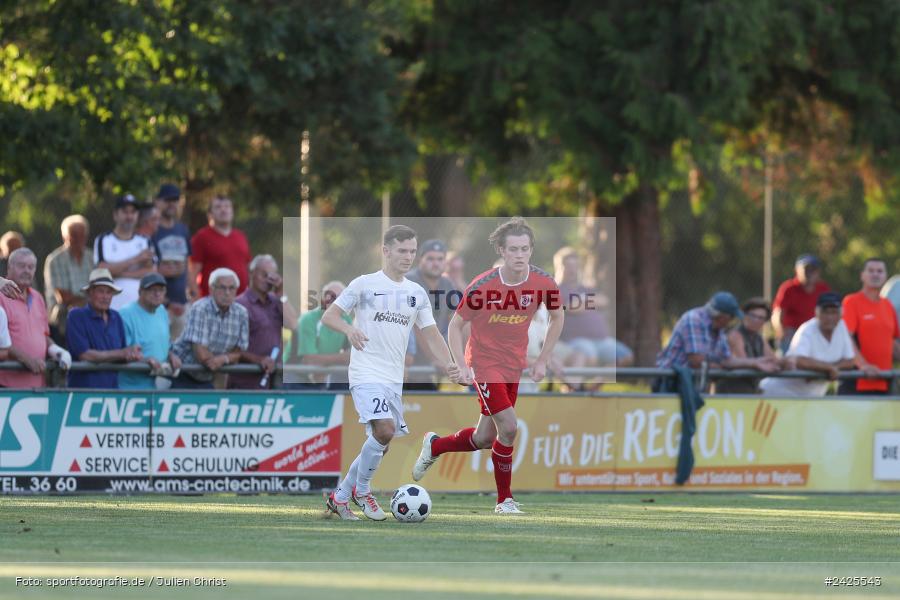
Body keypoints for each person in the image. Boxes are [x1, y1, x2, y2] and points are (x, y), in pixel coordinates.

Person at [412, 217, 565, 515]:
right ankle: (504, 500)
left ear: (531, 250)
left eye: (525, 249)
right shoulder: (483, 285)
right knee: (509, 427)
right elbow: (455, 326)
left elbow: (558, 316)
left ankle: (435, 446)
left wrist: (543, 359)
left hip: (513, 365)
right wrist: (460, 365)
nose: (519, 255)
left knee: (486, 438)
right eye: (513, 249)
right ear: (502, 250)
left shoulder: (543, 282)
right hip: (483, 363)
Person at [321, 225, 460, 521]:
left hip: (393, 379)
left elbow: (432, 333)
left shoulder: (416, 292)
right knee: (384, 430)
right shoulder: (364, 284)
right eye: (402, 251)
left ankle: (341, 496)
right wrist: (349, 329)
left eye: (412, 251)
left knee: (381, 445)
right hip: (365, 372)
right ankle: (362, 491)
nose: (408, 257)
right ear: (386, 251)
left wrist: (450, 363)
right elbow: (330, 315)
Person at [553, 247, 633, 388]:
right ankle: (572, 391)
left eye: (575, 266)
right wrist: (587, 302)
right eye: (568, 266)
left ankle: (592, 389)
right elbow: (571, 306)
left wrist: (582, 300)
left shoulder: (585, 288)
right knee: (589, 355)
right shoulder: (556, 289)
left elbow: (604, 300)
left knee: (625, 356)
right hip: (575, 341)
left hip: (601, 340)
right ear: (559, 267)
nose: (572, 270)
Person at [655, 292, 780, 378]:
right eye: (731, 317)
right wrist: (722, 366)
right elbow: (697, 361)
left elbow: (727, 359)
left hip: (691, 382)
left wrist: (754, 363)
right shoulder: (694, 320)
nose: (732, 320)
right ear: (722, 316)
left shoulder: (718, 329)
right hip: (670, 381)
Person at [759, 293, 857, 397]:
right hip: (778, 394)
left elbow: (850, 361)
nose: (829, 317)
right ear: (816, 312)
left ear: (841, 314)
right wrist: (828, 368)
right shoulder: (807, 329)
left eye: (834, 312)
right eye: (825, 312)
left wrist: (828, 368)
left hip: (811, 396)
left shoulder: (841, 327)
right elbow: (800, 360)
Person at [0, 248, 70, 388]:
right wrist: (26, 359)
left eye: (31, 267)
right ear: (9, 267)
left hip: (37, 383)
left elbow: (43, 334)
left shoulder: (38, 298)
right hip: (7, 385)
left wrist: (57, 350)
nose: (27, 270)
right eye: (21, 266)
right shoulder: (1, 296)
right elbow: (2, 341)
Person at [171, 268, 249, 389]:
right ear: (211, 289)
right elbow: (201, 355)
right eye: (222, 287)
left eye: (231, 288)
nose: (227, 293)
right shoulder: (200, 308)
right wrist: (224, 359)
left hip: (209, 376)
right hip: (181, 372)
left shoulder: (242, 313)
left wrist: (223, 359)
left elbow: (239, 352)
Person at [230, 255, 298, 389]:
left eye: (272, 275)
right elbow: (231, 346)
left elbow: (293, 324)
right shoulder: (239, 304)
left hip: (274, 379)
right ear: (251, 273)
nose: (268, 279)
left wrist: (281, 294)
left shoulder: (276, 301)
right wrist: (258, 360)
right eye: (264, 274)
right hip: (246, 380)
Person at [66, 268, 140, 389]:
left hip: (112, 393)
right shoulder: (76, 316)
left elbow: (121, 356)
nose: (105, 297)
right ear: (90, 293)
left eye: (109, 292)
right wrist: (122, 353)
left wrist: (133, 355)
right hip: (82, 393)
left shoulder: (116, 317)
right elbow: (85, 355)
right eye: (101, 291)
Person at [406, 239, 460, 390]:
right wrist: (437, 359)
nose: (435, 263)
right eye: (430, 258)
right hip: (407, 362)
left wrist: (456, 359)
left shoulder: (447, 284)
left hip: (433, 360)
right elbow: (417, 326)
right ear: (420, 260)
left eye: (440, 259)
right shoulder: (410, 281)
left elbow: (455, 322)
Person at [838, 258, 898, 395]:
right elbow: (846, 338)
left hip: (884, 380)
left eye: (880, 271)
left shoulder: (888, 306)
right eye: (871, 271)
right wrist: (864, 366)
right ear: (862, 275)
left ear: (885, 276)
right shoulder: (851, 301)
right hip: (857, 380)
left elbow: (893, 342)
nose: (875, 274)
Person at [119, 273, 182, 390]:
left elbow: (164, 343)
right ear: (140, 292)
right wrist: (145, 360)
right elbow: (119, 353)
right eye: (152, 290)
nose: (157, 294)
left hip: (159, 385)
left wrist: (171, 355)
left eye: (161, 290)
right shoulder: (125, 314)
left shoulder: (161, 310)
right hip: (130, 387)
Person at [94, 194, 156, 310]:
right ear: (115, 215)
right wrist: (136, 259)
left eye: (133, 212)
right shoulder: (103, 240)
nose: (129, 216)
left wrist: (119, 273)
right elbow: (102, 271)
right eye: (125, 212)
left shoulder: (145, 241)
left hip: (139, 308)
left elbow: (151, 272)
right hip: (112, 308)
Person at [717, 298, 786, 394]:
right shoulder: (735, 335)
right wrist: (760, 364)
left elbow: (773, 360)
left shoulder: (759, 338)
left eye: (761, 318)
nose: (756, 320)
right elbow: (744, 362)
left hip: (751, 391)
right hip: (732, 393)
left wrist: (787, 362)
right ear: (744, 315)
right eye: (753, 316)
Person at [290, 281, 351, 388]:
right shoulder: (308, 320)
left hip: (323, 374)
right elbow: (310, 361)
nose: (335, 302)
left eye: (340, 299)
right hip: (294, 373)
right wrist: (341, 358)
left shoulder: (346, 320)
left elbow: (352, 357)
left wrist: (326, 363)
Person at [151, 183, 192, 340]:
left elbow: (187, 264)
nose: (172, 204)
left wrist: (190, 294)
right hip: (159, 303)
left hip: (182, 303)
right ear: (157, 202)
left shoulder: (182, 229)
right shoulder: (152, 230)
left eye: (175, 200)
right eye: (167, 200)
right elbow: (147, 267)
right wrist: (159, 271)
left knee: (180, 351)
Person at [189, 195, 251, 299]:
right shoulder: (201, 237)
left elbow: (249, 269)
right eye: (218, 207)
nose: (223, 210)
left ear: (232, 212)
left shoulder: (241, 236)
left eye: (227, 206)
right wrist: (196, 299)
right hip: (213, 302)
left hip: (241, 300)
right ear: (210, 214)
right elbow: (192, 273)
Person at [44, 214, 93, 343]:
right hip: (62, 322)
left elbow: (98, 291)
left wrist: (87, 298)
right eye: (73, 235)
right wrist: (90, 297)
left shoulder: (91, 257)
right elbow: (64, 298)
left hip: (90, 318)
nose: (78, 239)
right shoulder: (55, 260)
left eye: (81, 235)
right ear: (64, 236)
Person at [772, 254, 830, 353]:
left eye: (813, 269)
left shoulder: (823, 288)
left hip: (815, 330)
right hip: (792, 332)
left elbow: (829, 311)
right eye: (806, 269)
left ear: (818, 272)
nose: (810, 273)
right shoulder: (788, 288)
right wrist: (780, 330)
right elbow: (778, 313)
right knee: (789, 358)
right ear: (797, 270)